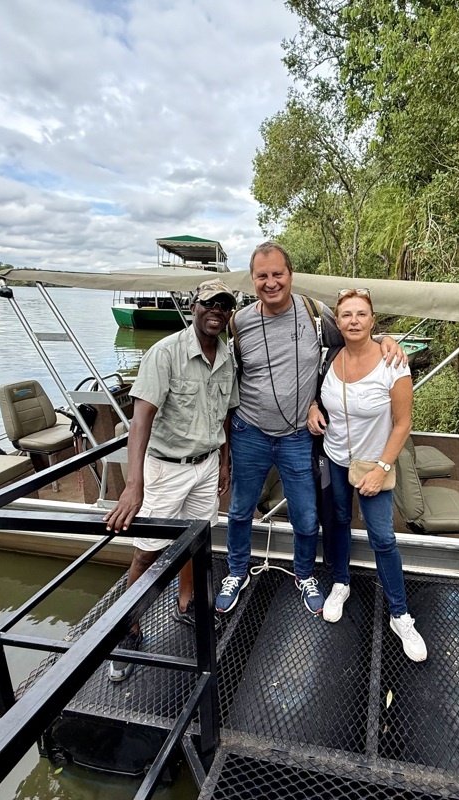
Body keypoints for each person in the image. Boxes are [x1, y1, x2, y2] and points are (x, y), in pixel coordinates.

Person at [216, 242, 406, 616]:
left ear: (290, 275)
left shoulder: (314, 313)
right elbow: (226, 373)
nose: (271, 283)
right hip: (249, 431)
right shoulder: (238, 323)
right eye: (262, 276)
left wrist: (387, 340)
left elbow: (354, 340)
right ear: (252, 280)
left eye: (277, 274)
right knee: (239, 510)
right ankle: (236, 570)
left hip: (296, 437)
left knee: (306, 516)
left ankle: (304, 573)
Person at [102, 278, 239, 681]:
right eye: (209, 303)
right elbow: (140, 420)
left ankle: (186, 604)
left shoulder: (227, 356)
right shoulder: (165, 353)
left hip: (207, 463)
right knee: (146, 551)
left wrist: (225, 462)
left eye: (224, 306)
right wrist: (133, 483)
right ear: (193, 306)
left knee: (196, 542)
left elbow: (227, 415)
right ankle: (128, 632)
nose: (216, 310)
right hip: (165, 468)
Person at [309, 287, 427, 662]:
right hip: (334, 459)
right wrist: (313, 407)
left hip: (374, 464)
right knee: (338, 522)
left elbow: (403, 422)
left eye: (361, 314)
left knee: (382, 537)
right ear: (337, 322)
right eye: (346, 315)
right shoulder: (329, 358)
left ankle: (400, 614)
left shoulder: (393, 363)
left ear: (373, 320)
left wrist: (382, 468)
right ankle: (340, 583)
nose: (354, 321)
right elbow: (314, 393)